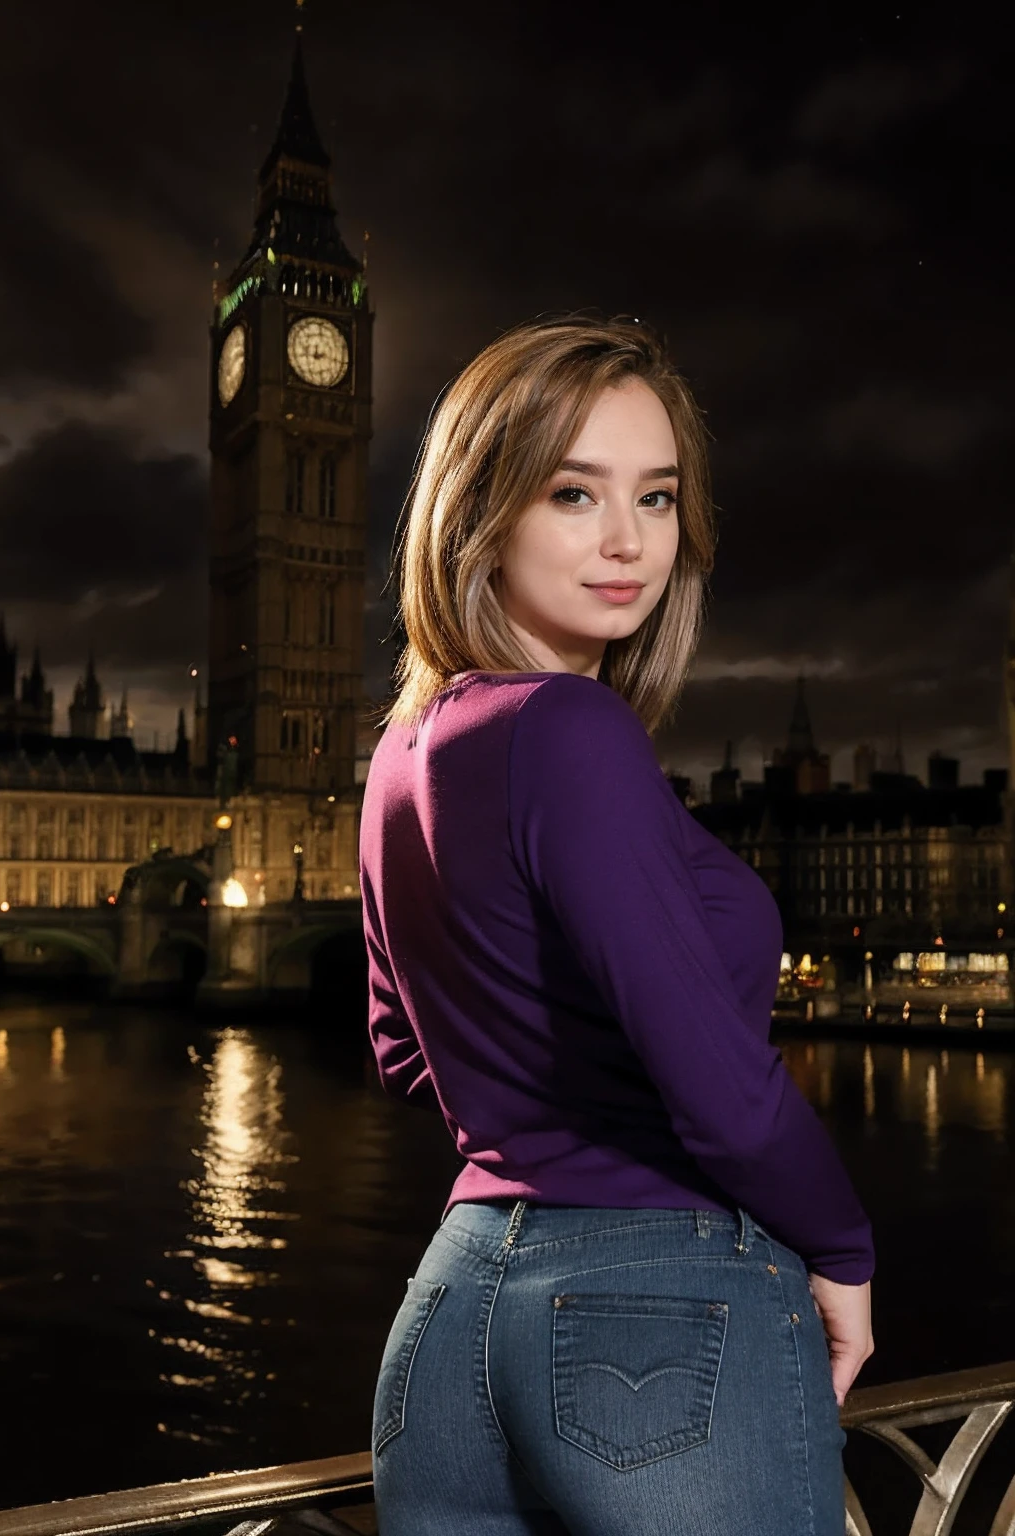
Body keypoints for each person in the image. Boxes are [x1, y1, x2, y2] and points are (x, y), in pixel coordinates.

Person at [358, 313, 874, 1535]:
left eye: (656, 496)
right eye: (573, 492)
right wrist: (842, 1249)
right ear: (482, 509)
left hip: (448, 1326)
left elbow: (398, 1052)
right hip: (654, 1317)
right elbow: (721, 1085)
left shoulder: (400, 751)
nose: (629, 541)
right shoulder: (571, 731)